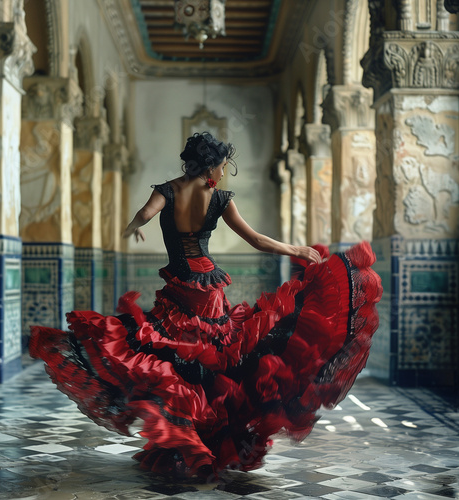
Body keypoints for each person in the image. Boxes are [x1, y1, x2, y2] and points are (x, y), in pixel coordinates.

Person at [30, 132, 382, 479]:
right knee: (212, 361)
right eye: (223, 165)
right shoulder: (220, 198)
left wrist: (133, 227)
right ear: (212, 164)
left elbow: (144, 213)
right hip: (208, 286)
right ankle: (204, 437)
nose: (223, 172)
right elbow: (256, 239)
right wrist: (296, 250)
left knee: (174, 359)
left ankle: (189, 437)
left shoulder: (167, 190)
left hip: (180, 287)